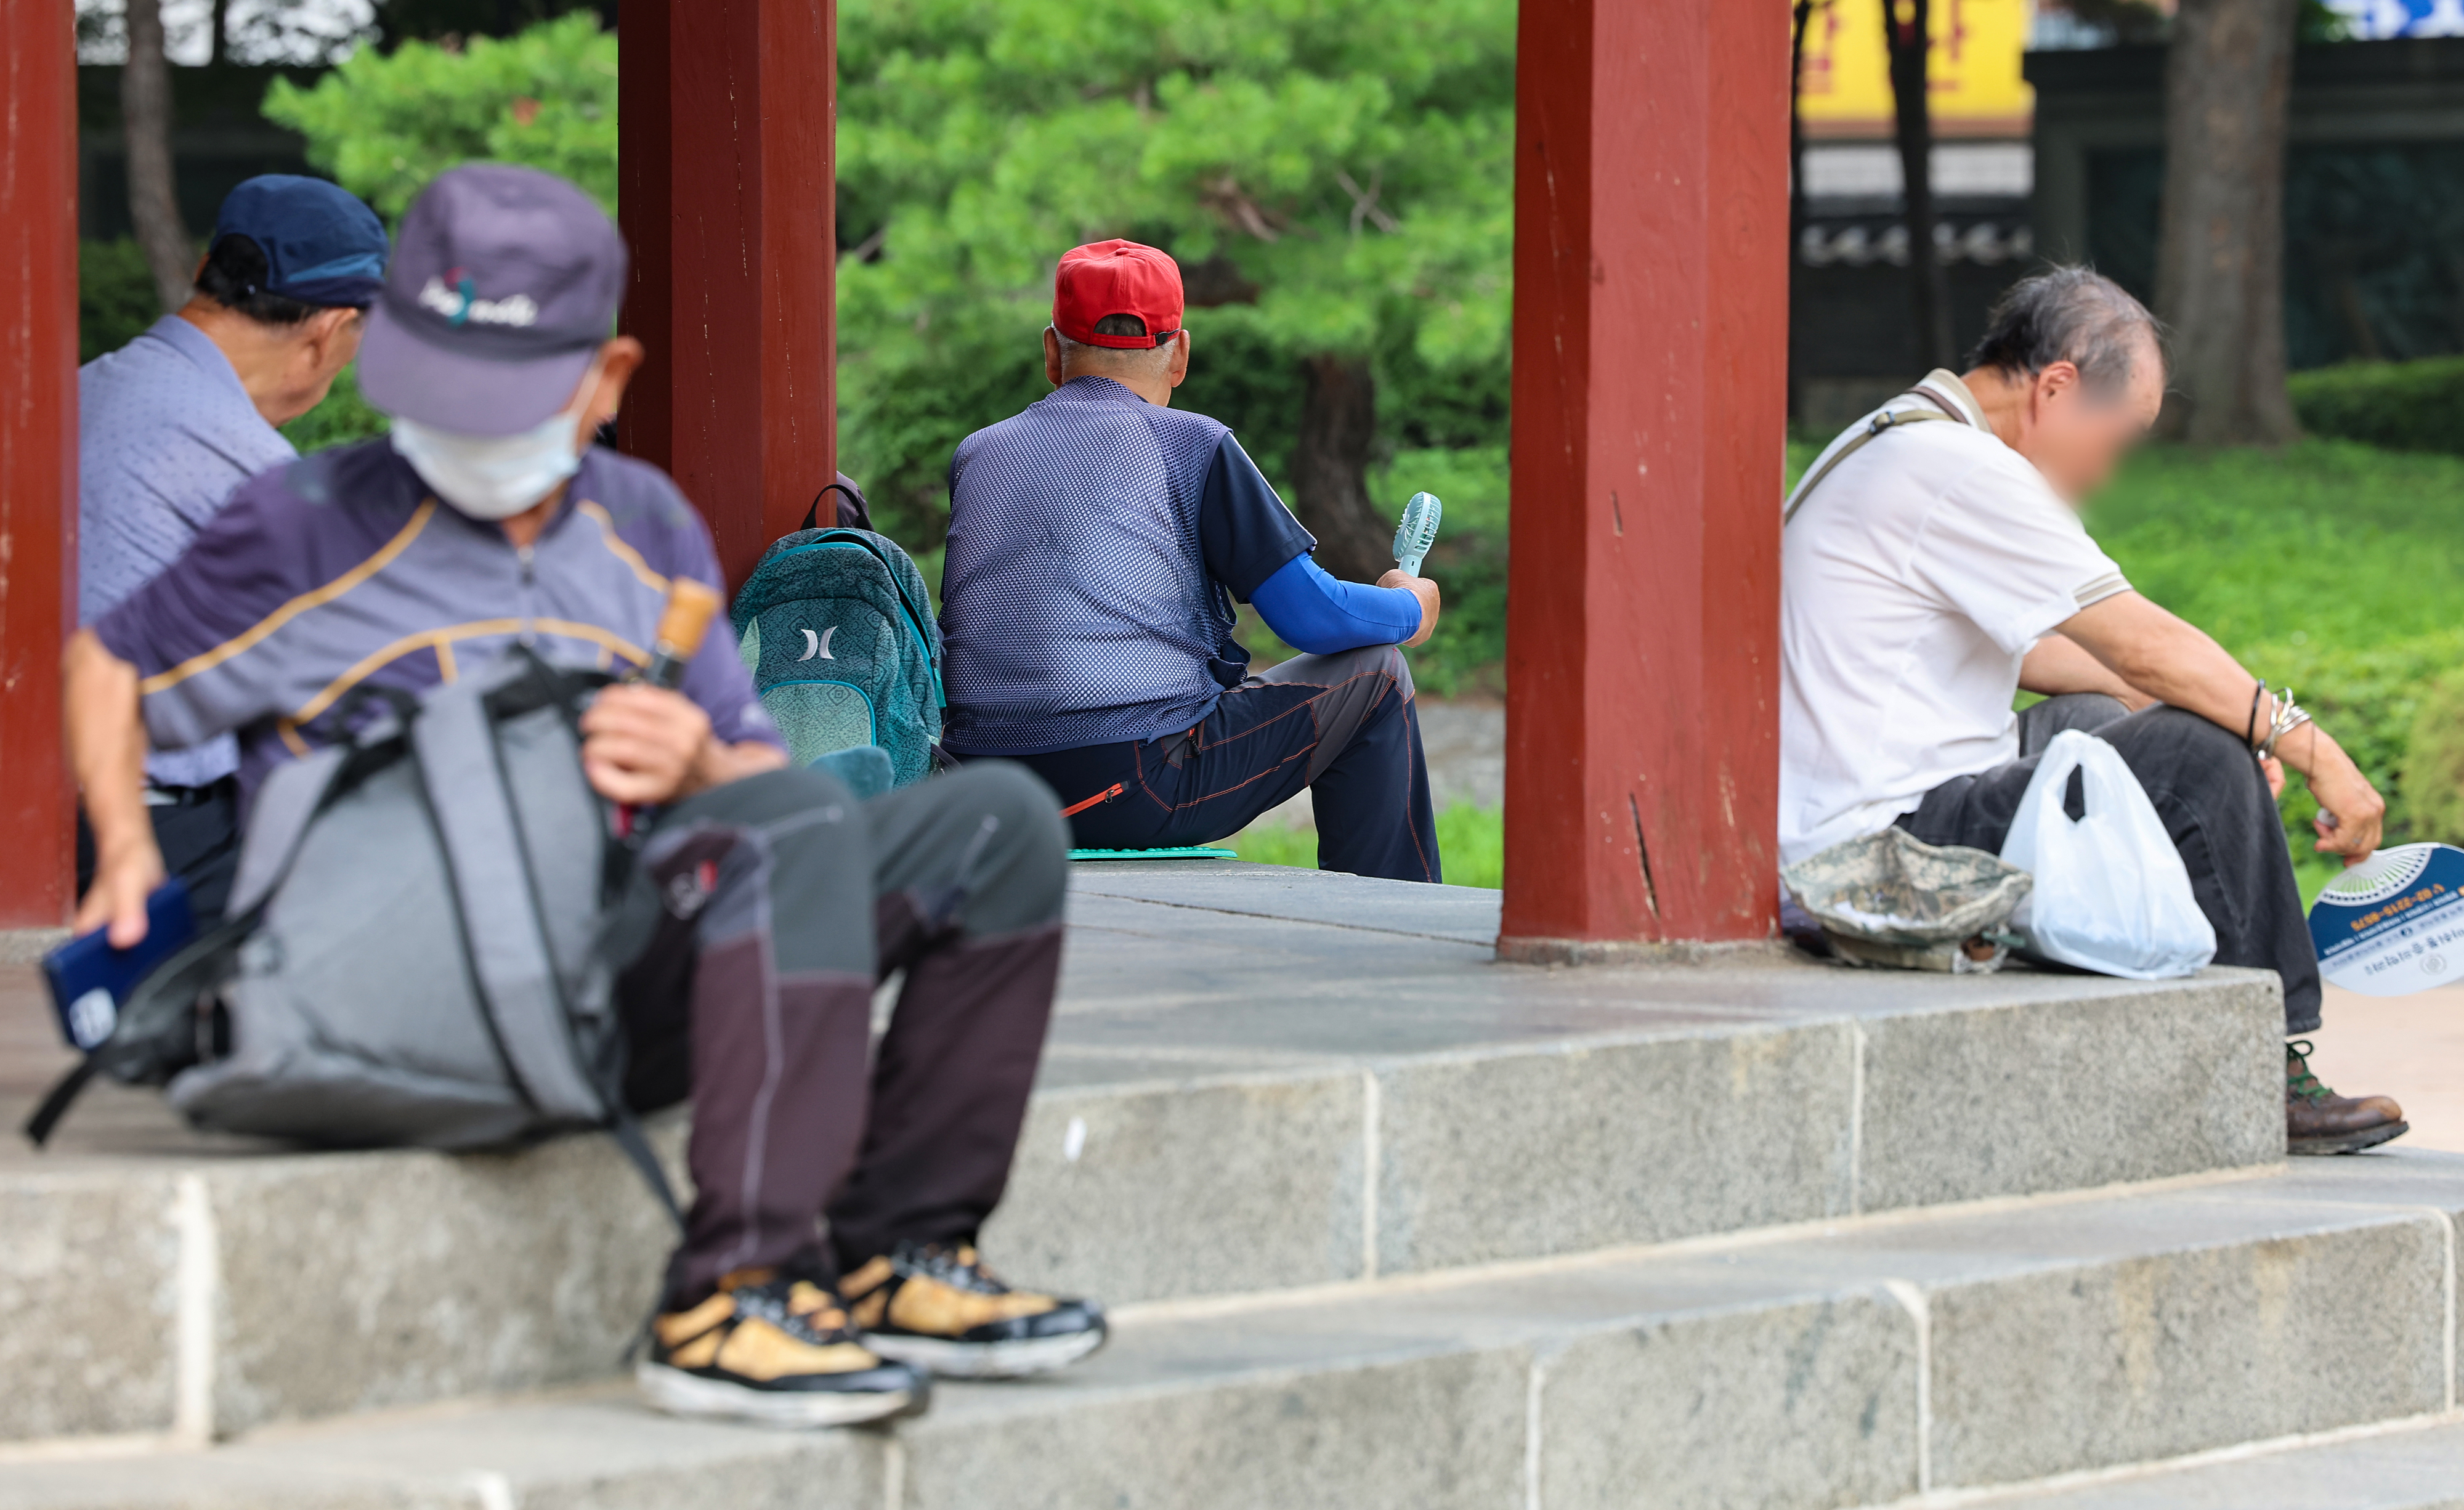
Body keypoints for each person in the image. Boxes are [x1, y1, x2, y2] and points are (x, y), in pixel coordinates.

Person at [64, 164, 1101, 1429]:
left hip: (607, 961)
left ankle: (900, 1252)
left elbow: (763, 786)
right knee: (789, 830)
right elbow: (108, 662)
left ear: (604, 380)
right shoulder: (306, 521)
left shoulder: (642, 528)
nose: (474, 436)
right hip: (394, 985)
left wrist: (699, 763)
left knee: (995, 827)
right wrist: (123, 849)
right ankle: (734, 1292)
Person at [1779, 266, 2406, 1157]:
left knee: (2108, 718)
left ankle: (2182, 1002)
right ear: (2058, 387)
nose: (2108, 472)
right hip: (1871, 852)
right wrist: (2302, 741)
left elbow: (2046, 652)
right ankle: (2266, 1056)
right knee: (2192, 756)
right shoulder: (1956, 469)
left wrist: (2190, 705)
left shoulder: (1900, 437)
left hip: (1864, 811)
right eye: (2118, 440)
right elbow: (2140, 638)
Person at [936, 238, 1448, 883]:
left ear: (1050, 353)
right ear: (1179, 354)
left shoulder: (978, 453)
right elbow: (1313, 617)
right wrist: (1411, 605)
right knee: (1376, 674)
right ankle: (1395, 918)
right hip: (1132, 790)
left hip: (983, 794)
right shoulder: (1193, 445)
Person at [77, 174, 388, 921]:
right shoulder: (238, 453)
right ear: (328, 330)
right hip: (159, 829)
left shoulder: (85, 389)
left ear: (202, 275)